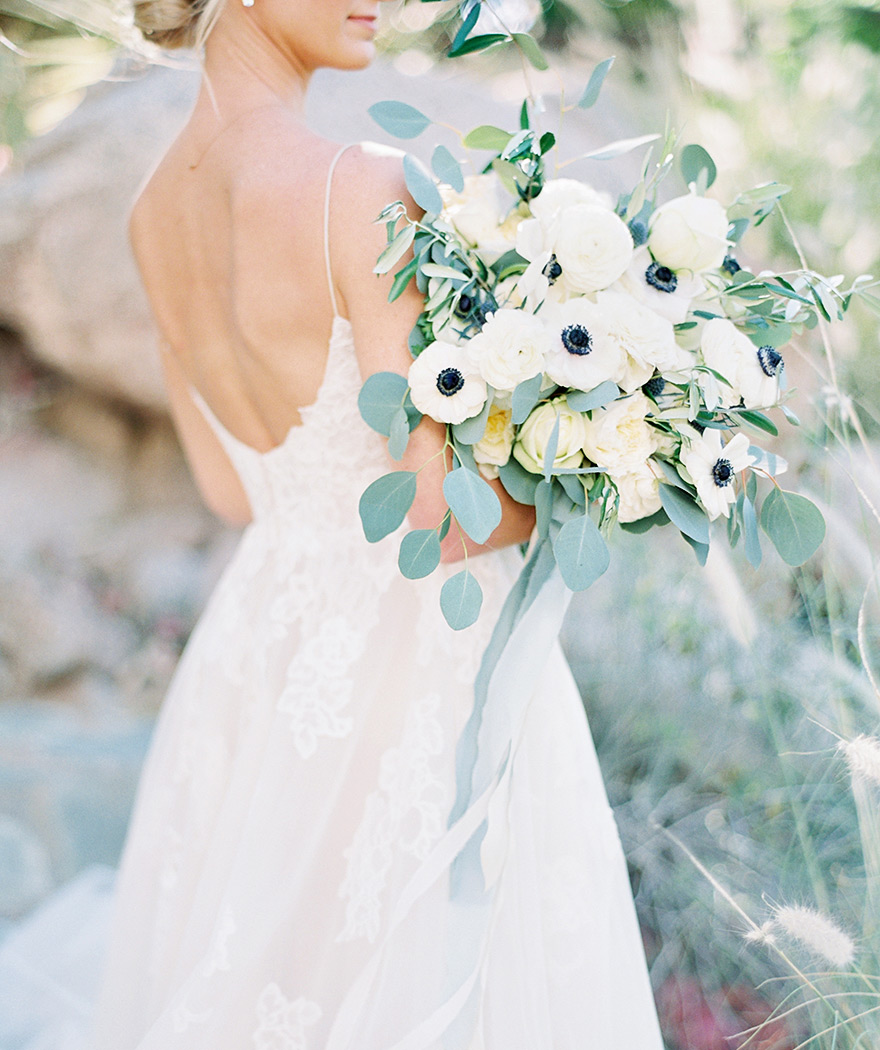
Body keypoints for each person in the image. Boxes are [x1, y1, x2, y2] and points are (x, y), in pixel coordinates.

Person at [90, 1, 666, 1047]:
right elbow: (438, 521)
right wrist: (616, 449)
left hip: (264, 642)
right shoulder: (362, 186)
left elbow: (230, 495)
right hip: (402, 655)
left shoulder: (146, 209)